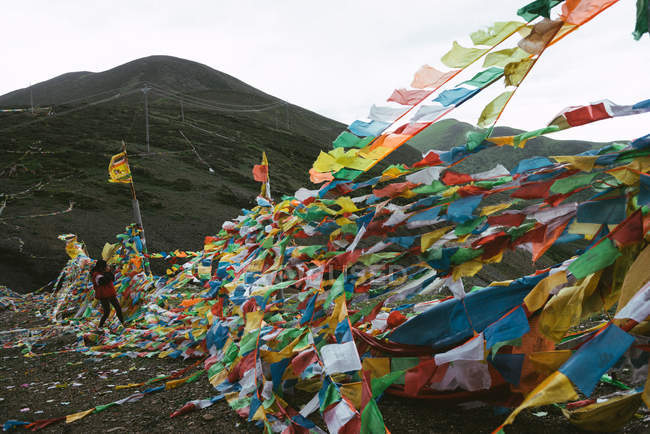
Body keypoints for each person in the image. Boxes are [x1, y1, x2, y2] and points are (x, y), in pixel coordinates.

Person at [90, 259, 125, 331]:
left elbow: (112, 278)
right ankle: (100, 326)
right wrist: (108, 272)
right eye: (106, 266)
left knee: (118, 308)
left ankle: (122, 322)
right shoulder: (96, 274)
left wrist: (109, 272)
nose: (107, 267)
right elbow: (103, 281)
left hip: (110, 293)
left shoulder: (104, 273)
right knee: (107, 311)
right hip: (103, 295)